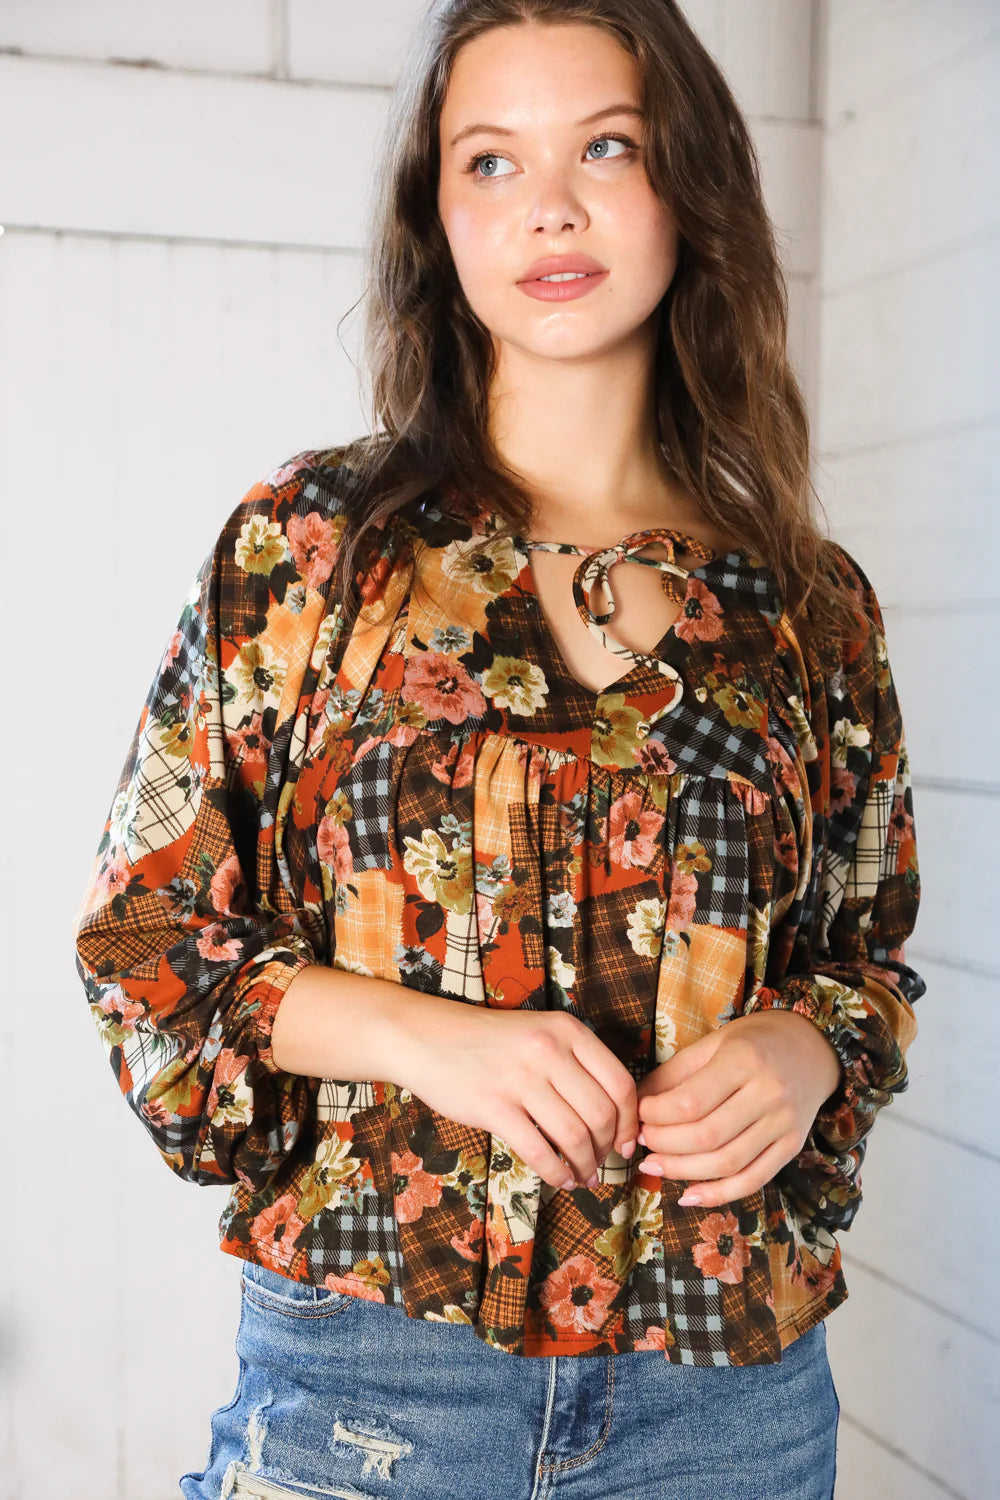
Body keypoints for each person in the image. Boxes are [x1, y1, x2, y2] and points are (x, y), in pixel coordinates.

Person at [72, 3, 924, 1497]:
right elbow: (149, 940)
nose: (551, 204)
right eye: (489, 160)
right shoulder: (310, 551)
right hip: (375, 1383)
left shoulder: (806, 605)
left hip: (727, 1398)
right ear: (438, 218)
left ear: (692, 186)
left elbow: (866, 964)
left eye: (608, 146)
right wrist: (429, 1038)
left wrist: (803, 1051)